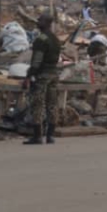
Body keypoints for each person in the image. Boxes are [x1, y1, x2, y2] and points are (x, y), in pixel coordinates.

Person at [25, 13, 62, 145]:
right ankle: (50, 135)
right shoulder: (55, 39)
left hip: (42, 75)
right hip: (54, 74)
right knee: (52, 104)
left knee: (38, 104)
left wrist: (29, 75)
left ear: (46, 23)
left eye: (40, 20)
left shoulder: (41, 39)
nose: (38, 22)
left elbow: (36, 61)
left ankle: (37, 136)